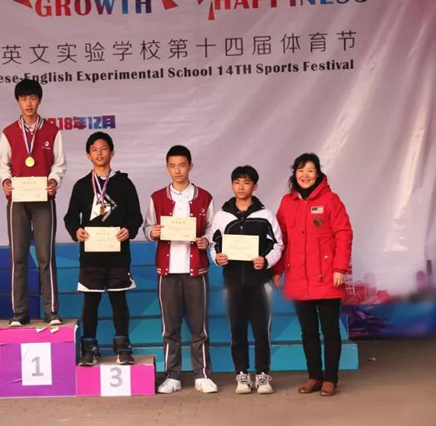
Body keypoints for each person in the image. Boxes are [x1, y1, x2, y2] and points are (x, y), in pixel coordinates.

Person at [273, 153, 353, 397]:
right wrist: (277, 270)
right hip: (298, 277)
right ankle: (314, 377)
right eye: (300, 170)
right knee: (308, 332)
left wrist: (340, 268)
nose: (305, 175)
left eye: (310, 170)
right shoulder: (287, 202)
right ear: (294, 174)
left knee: (330, 331)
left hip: (327, 277)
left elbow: (344, 234)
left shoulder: (331, 200)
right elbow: (280, 239)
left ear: (318, 174)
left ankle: (330, 378)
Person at [143, 145, 218, 394]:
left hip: (196, 270)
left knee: (200, 327)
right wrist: (153, 232)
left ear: (190, 166)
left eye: (182, 165)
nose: (177, 170)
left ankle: (202, 374)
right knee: (170, 328)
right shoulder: (157, 197)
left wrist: (206, 241)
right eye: (173, 166)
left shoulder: (204, 197)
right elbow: (147, 228)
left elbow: (213, 229)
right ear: (167, 168)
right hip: (167, 272)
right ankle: (172, 375)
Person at [64, 132, 142, 365]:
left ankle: (123, 349)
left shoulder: (124, 184)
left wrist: (129, 229)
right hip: (91, 257)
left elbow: (135, 216)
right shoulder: (81, 186)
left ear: (112, 152)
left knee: (119, 301)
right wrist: (76, 231)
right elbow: (70, 217)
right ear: (88, 156)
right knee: (91, 303)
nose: (99, 153)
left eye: (104, 148)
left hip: (118, 255)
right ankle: (89, 349)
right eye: (94, 150)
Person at [0, 78, 66, 326]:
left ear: (40, 100)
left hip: (43, 199)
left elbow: (59, 163)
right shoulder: (8, 132)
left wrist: (54, 180)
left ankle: (51, 310)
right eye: (24, 99)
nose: (28, 103)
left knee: (45, 255)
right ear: (18, 101)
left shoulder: (52, 131)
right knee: (18, 256)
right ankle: (19, 311)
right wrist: (6, 181)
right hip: (17, 201)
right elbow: (3, 164)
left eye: (33, 98)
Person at [210, 165, 283, 394]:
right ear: (232, 185)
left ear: (255, 186)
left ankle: (262, 376)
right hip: (232, 283)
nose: (241, 187)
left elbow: (278, 244)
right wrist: (217, 258)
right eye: (237, 182)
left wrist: (266, 261)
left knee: (261, 331)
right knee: (237, 331)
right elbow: (213, 244)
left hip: (259, 284)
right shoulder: (221, 216)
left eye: (246, 182)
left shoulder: (265, 216)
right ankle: (241, 375)